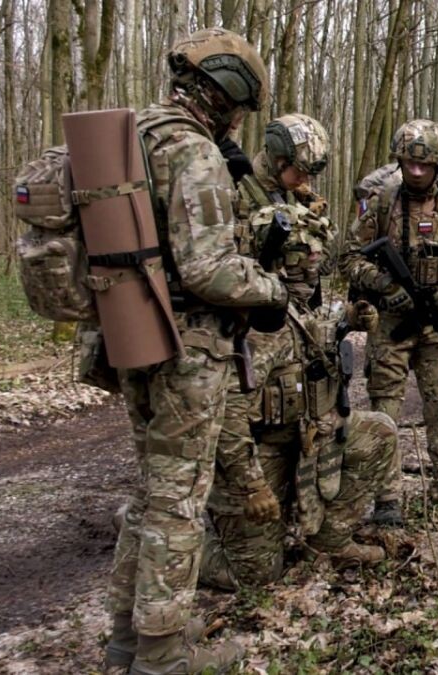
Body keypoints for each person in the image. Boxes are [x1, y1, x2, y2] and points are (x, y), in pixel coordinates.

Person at [104, 28, 291, 675]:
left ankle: (125, 640)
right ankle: (162, 657)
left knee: (151, 493)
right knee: (179, 500)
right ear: (228, 94)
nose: (240, 119)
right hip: (188, 349)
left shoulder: (136, 135)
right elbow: (208, 269)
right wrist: (270, 288)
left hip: (132, 334)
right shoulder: (195, 152)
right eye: (241, 105)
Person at [198, 113, 399, 593]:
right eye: (300, 170)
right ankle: (164, 536)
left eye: (314, 261)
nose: (310, 267)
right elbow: (226, 412)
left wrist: (349, 318)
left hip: (307, 431)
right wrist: (250, 484)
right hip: (257, 447)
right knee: (254, 574)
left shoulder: (296, 210)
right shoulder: (236, 207)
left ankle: (328, 540)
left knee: (378, 433)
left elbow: (311, 330)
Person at [339, 119, 438, 531]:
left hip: (436, 324)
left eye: (425, 165)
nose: (416, 171)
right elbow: (349, 258)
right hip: (390, 322)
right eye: (409, 164)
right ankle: (386, 499)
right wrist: (384, 284)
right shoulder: (380, 202)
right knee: (385, 410)